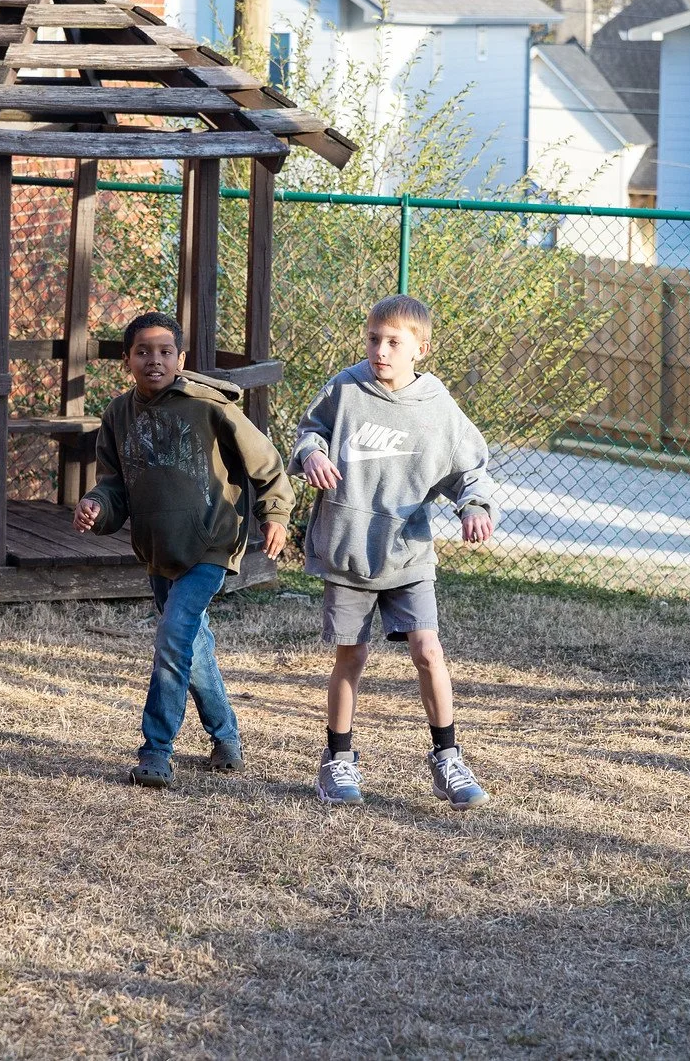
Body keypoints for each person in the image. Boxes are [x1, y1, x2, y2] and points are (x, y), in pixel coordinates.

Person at [290, 294, 495, 810]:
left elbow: (468, 468)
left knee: (428, 651)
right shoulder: (345, 388)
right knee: (352, 655)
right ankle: (338, 760)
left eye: (393, 343)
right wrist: (312, 455)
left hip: (407, 551)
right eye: (373, 339)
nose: (380, 351)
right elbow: (309, 431)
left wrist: (474, 506)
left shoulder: (437, 407)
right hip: (349, 548)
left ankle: (447, 759)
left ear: (420, 349)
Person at [73, 311, 293, 789]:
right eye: (143, 352)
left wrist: (275, 513)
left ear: (181, 359)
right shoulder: (118, 415)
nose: (154, 360)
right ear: (127, 360)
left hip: (212, 541)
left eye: (165, 351)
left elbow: (267, 462)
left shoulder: (208, 407)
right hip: (159, 548)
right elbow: (114, 487)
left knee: (172, 638)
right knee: (191, 644)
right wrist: (96, 506)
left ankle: (156, 751)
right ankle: (226, 737)